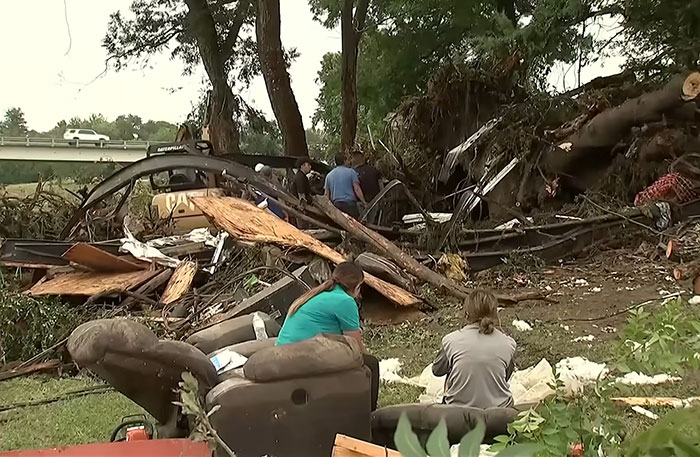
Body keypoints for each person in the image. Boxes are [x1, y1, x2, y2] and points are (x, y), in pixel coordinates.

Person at [276, 262, 379, 411]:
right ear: (357, 287)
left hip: (281, 356)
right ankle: (369, 415)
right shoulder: (345, 301)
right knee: (370, 363)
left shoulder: (319, 294)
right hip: (298, 359)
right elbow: (355, 346)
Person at [432, 289, 516, 408]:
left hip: (457, 412)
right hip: (499, 412)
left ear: (467, 313)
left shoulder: (451, 341)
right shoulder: (508, 344)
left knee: (451, 369)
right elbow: (506, 375)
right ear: (495, 313)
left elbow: (437, 371)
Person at [324, 153, 366, 218]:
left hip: (337, 205)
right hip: (350, 205)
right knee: (354, 225)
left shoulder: (329, 175)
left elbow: (326, 194)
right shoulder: (351, 172)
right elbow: (357, 189)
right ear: (344, 161)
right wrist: (363, 202)